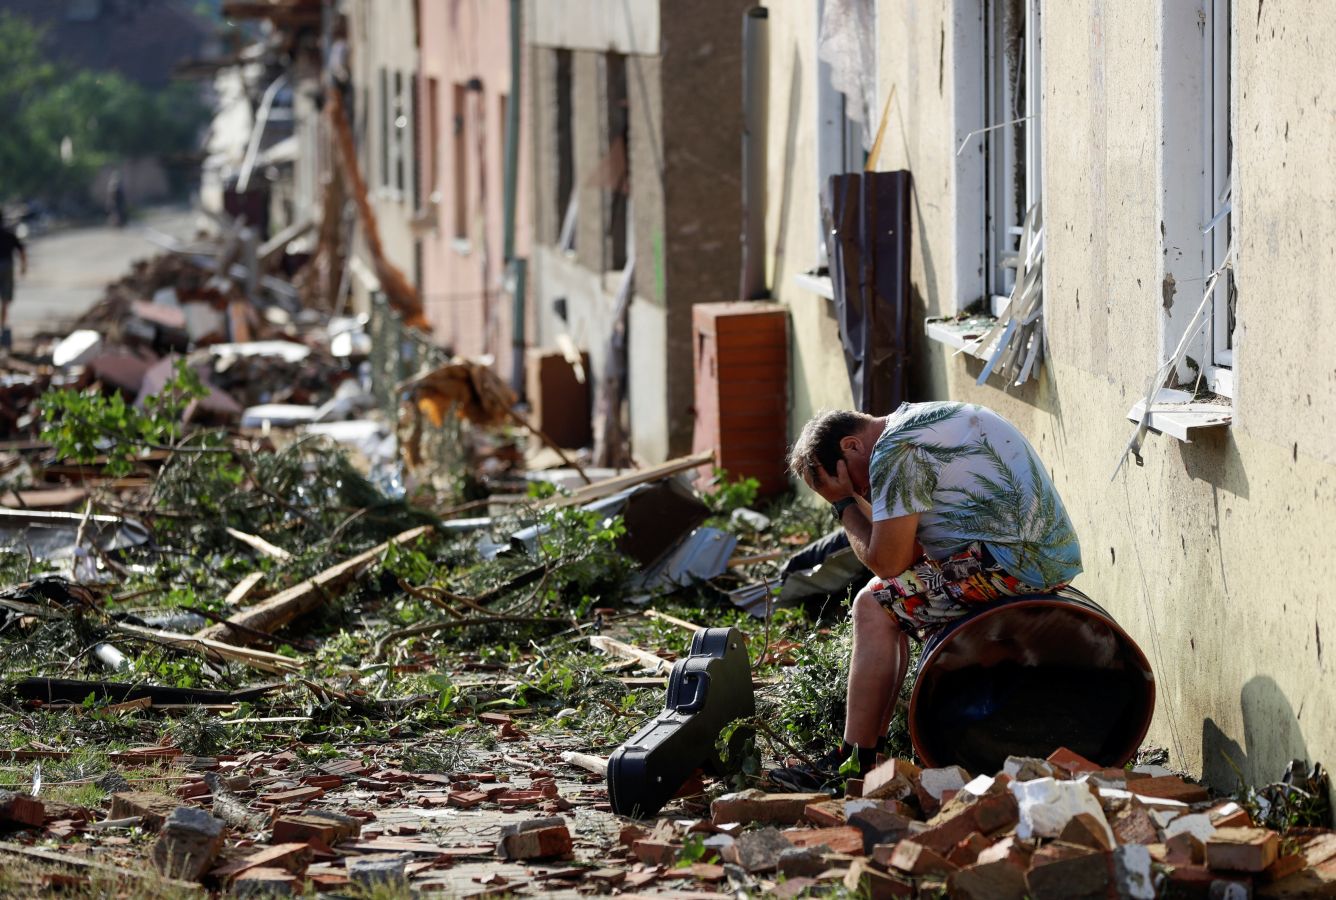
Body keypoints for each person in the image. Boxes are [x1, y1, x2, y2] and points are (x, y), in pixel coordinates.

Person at [772, 401, 1082, 789]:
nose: (862, 490)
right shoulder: (917, 422)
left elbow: (887, 562)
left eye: (852, 482)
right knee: (884, 599)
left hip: (1014, 561)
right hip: (1041, 552)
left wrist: (844, 504)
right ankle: (867, 754)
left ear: (851, 445)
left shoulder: (894, 450)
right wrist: (854, 495)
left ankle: (853, 760)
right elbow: (908, 555)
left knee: (872, 606)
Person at [0, 219, 27, 351]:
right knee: (5, 300)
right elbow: (21, 250)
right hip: (7, 267)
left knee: (5, 301)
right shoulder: (9, 234)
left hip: (5, 266)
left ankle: (3, 328)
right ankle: (2, 327)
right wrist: (23, 266)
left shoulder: (9, 234)